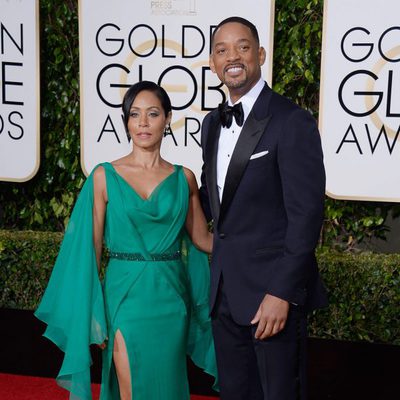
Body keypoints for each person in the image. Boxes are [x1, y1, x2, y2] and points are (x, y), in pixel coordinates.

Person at [35, 81, 218, 400]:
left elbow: (203, 240)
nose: (143, 122)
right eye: (135, 115)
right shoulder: (103, 177)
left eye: (152, 113)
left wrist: (255, 242)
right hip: (123, 299)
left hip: (172, 300)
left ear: (167, 119)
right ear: (127, 123)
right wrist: (93, 314)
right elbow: (88, 253)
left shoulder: (184, 178)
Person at [199, 16, 327, 400]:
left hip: (272, 300)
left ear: (261, 54)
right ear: (212, 63)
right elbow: (217, 203)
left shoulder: (292, 121)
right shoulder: (210, 125)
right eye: (222, 50)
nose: (232, 57)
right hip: (224, 295)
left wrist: (281, 293)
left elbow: (306, 217)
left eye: (242, 47)